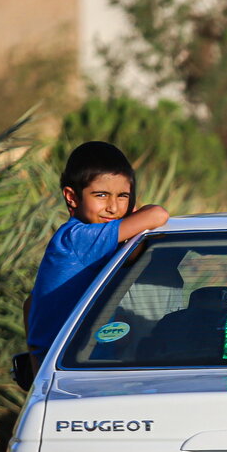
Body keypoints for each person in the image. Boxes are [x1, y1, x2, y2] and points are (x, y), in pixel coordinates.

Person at [26, 141, 169, 367]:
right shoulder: (79, 238)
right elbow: (157, 215)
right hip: (69, 364)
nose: (113, 207)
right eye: (101, 195)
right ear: (72, 197)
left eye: (122, 196)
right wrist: (133, 211)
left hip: (71, 359)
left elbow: (30, 303)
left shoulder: (81, 239)